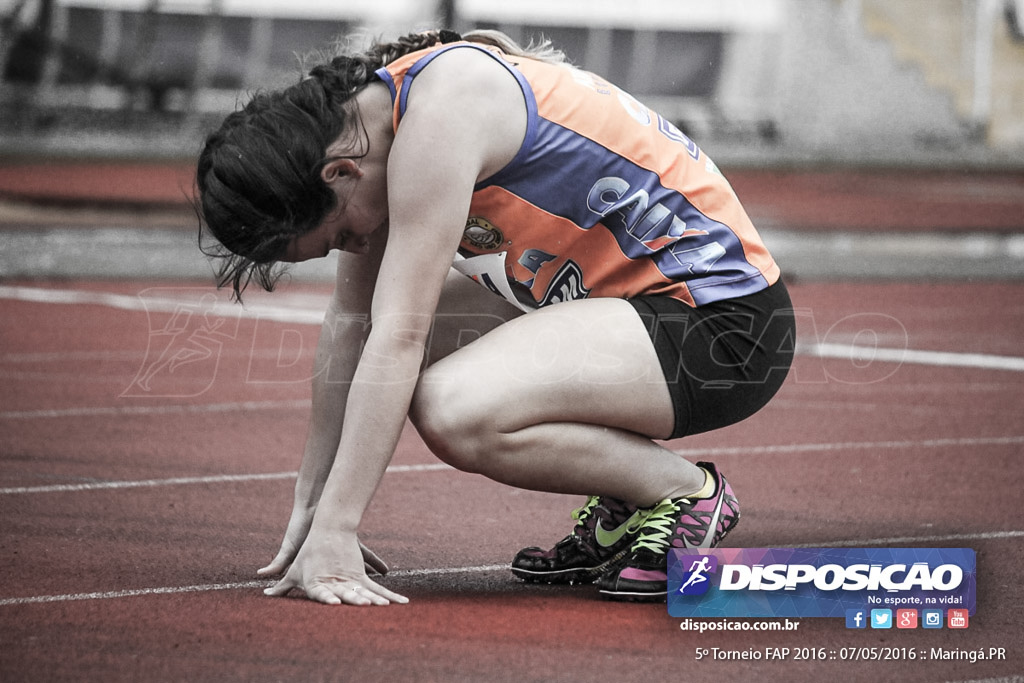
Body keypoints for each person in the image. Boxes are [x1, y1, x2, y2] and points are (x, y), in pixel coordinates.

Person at [195, 28, 795, 605]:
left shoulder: (440, 118)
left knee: (454, 409)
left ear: (339, 173)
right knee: (393, 324)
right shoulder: (379, 127)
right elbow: (352, 322)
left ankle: (682, 492)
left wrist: (340, 528)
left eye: (339, 236)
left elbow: (396, 338)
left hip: (725, 330)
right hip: (638, 304)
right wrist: (313, 505)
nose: (353, 248)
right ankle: (627, 500)